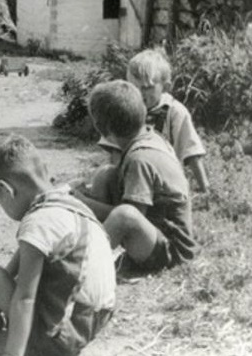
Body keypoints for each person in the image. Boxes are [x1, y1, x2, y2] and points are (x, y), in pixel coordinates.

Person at [0, 134, 115, 356]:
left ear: (6, 190)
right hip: (93, 321)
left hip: (58, 337)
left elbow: (25, 298)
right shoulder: (70, 203)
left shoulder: (36, 223)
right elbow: (18, 265)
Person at [74, 80, 197, 273]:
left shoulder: (140, 160)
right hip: (155, 233)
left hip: (172, 252)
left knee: (123, 215)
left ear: (103, 130)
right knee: (105, 174)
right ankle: (94, 245)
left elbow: (131, 217)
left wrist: (84, 203)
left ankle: (81, 270)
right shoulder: (149, 135)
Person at [98, 48, 210, 194]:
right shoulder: (124, 109)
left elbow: (191, 152)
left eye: (147, 88)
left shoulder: (174, 111)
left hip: (164, 181)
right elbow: (115, 151)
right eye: (134, 87)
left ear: (166, 87)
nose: (139, 93)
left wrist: (204, 187)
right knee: (102, 176)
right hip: (132, 175)